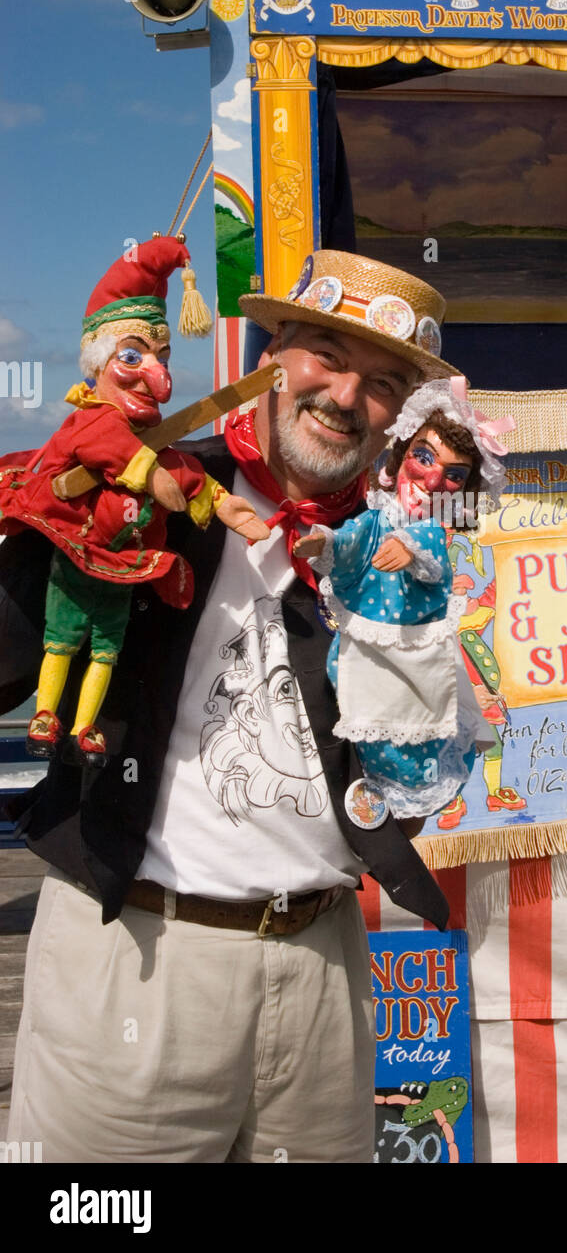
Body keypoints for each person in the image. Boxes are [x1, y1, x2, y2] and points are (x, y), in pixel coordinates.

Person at [0, 247, 456, 1163]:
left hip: (326, 963)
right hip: (136, 956)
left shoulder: (390, 552)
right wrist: (51, 510)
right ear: (271, 353)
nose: (343, 395)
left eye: (379, 383)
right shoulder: (154, 484)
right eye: (325, 353)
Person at [0, 236, 269, 770]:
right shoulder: (92, 420)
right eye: (133, 356)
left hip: (126, 568)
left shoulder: (161, 446)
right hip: (77, 557)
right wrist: (154, 475)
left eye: (161, 357)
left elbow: (180, 472)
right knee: (61, 638)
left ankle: (84, 725)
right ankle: (46, 713)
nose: (156, 374)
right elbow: (108, 448)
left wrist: (216, 501)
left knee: (106, 647)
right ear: (99, 361)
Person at [295, 376, 514, 823]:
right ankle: (367, 793)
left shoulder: (431, 530)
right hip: (366, 646)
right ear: (398, 462)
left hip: (416, 653)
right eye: (424, 457)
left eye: (453, 475)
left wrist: (409, 548)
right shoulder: (373, 521)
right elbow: (351, 539)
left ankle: (400, 800)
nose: (433, 479)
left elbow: (430, 549)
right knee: (361, 719)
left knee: (415, 732)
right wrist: (322, 542)